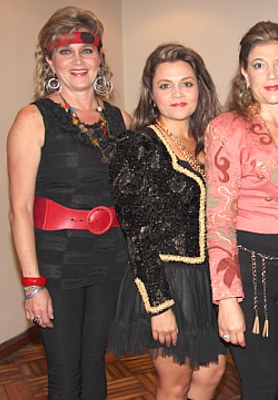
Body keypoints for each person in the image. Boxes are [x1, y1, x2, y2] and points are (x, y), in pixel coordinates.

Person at [7, 6, 129, 399]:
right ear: (49, 61)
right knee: (63, 372)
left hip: (110, 259)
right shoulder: (33, 119)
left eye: (86, 50)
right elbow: (19, 209)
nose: (77, 60)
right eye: (65, 51)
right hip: (56, 262)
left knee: (95, 362)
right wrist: (32, 285)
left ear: (99, 58)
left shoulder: (121, 120)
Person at [205, 21, 278, 400]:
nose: (271, 75)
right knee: (260, 385)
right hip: (251, 275)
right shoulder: (228, 127)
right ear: (244, 72)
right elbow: (219, 217)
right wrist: (227, 299)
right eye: (259, 65)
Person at [108, 43, 226, 400]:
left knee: (212, 373)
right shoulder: (137, 145)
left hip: (207, 280)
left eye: (186, 83)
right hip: (165, 280)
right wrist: (159, 307)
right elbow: (137, 233)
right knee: (176, 383)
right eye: (165, 85)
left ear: (200, 88)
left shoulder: (212, 141)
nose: (177, 94)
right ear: (151, 93)